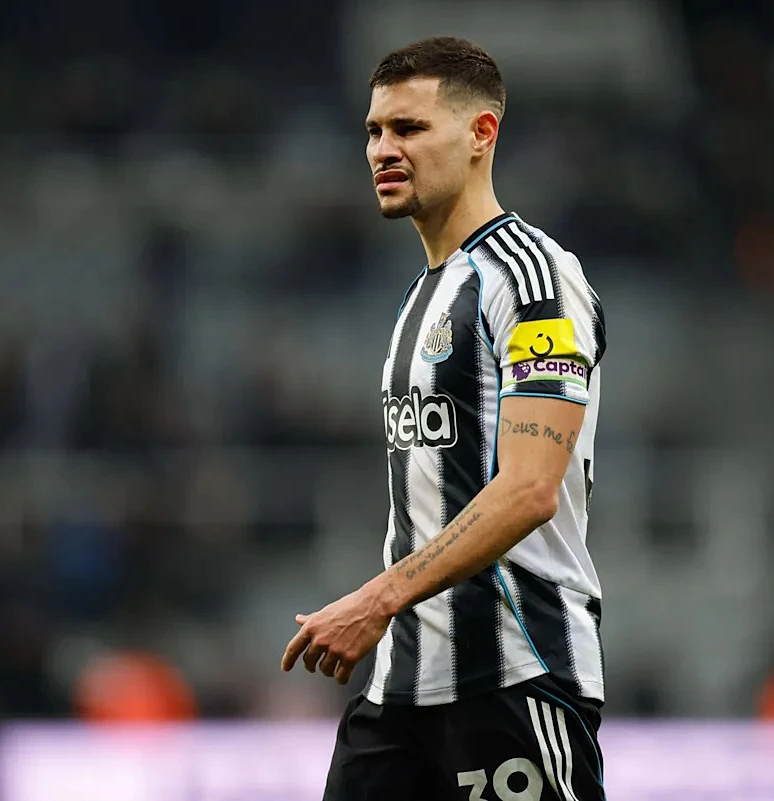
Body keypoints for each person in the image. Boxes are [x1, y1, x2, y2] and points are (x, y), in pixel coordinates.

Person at [281, 37, 608, 801]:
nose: (382, 149)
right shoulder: (424, 293)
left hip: (512, 676)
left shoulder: (534, 279)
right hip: (399, 690)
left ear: (480, 134)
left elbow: (530, 489)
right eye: (374, 131)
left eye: (409, 128)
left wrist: (376, 598)